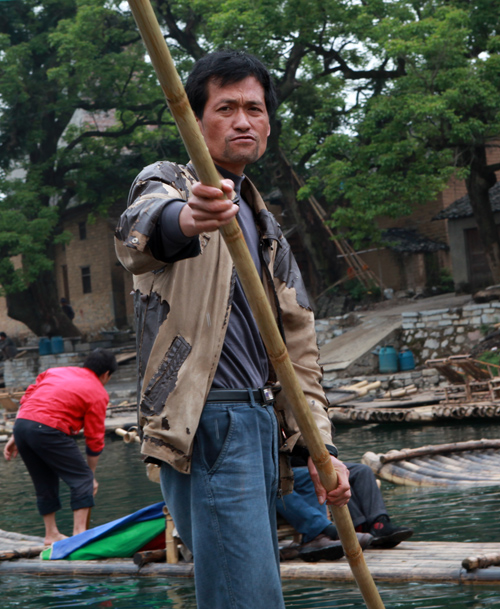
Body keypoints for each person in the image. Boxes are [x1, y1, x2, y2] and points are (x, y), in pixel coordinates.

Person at [114, 50, 351, 609]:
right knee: (246, 599)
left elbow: (300, 351)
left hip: (262, 421)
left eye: (255, 108)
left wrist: (321, 448)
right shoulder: (170, 183)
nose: (244, 120)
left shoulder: (267, 229)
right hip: (207, 420)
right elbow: (143, 230)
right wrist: (191, 218)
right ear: (195, 121)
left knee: (253, 592)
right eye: (226, 108)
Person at [3, 348, 118, 546]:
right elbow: (94, 437)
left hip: (22, 424)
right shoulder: (98, 392)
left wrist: (17, 433)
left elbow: (30, 396)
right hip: (47, 428)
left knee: (44, 480)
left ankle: (51, 534)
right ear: (106, 374)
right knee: (82, 479)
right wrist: (90, 476)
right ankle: (79, 535)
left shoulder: (55, 371)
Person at [277, 463, 414, 562]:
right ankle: (319, 533)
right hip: (279, 472)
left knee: (361, 471)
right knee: (309, 476)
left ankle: (377, 525)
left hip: (300, 465)